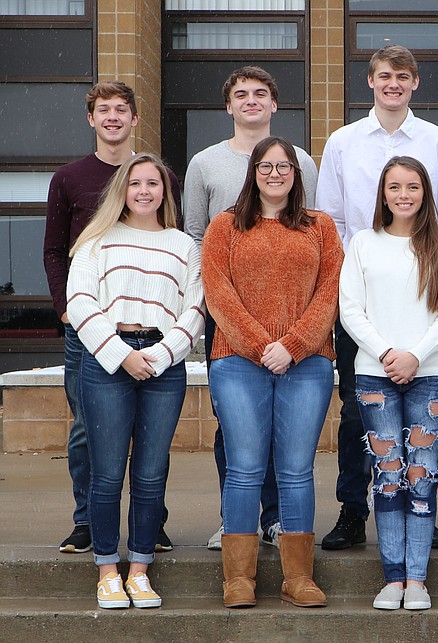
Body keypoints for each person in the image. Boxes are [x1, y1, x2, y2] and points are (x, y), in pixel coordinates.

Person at [317, 45, 438, 551]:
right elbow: (330, 222)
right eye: (384, 76)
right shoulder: (343, 142)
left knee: (422, 413)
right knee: (359, 411)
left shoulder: (437, 141)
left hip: (422, 295)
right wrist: (350, 286)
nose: (393, 84)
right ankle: (354, 510)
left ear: (414, 83)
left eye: (402, 76)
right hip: (362, 293)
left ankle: (421, 508)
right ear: (371, 82)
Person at [202, 136, 343, 609]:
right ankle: (238, 579)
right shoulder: (224, 227)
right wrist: (265, 347)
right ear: (253, 172)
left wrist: (295, 346)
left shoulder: (320, 227)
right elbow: (217, 294)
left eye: (285, 166)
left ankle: (297, 577)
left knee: (296, 470)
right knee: (243, 468)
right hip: (237, 362)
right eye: (267, 165)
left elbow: (330, 291)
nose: (276, 173)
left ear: (297, 174)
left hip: (307, 364)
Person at [183, 65, 318, 551]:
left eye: (261, 93)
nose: (251, 101)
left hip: (294, 332)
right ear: (229, 105)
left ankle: (279, 519)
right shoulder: (204, 163)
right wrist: (232, 323)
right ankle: (233, 518)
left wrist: (294, 338)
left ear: (275, 104)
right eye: (241, 94)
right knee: (236, 437)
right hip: (231, 327)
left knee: (289, 442)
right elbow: (198, 239)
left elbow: (310, 239)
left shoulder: (300, 159)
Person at [44, 80, 182, 555]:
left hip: (150, 329)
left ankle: (151, 524)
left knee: (151, 444)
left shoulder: (153, 177)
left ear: (135, 119)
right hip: (88, 327)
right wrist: (68, 310)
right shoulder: (69, 177)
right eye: (104, 110)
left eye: (122, 110)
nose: (113, 118)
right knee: (88, 430)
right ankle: (87, 521)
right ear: (92, 119)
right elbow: (55, 250)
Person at [66, 153, 204, 609]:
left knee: (150, 473)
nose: (145, 191)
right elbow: (81, 303)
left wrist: (162, 355)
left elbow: (195, 311)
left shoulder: (184, 245)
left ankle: (140, 569)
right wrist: (122, 356)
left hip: (163, 366)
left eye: (154, 183)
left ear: (166, 191)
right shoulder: (96, 241)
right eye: (136, 183)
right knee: (106, 473)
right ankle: (108, 569)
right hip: (108, 363)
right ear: (121, 190)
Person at [339, 156, 438, 611]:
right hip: (377, 372)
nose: (404, 195)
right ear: (383, 194)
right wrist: (390, 354)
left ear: (425, 193)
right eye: (395, 187)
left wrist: (416, 355)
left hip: (430, 373)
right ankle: (393, 576)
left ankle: (418, 579)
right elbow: (351, 309)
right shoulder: (363, 244)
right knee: (387, 476)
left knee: (421, 475)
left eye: (413, 186)